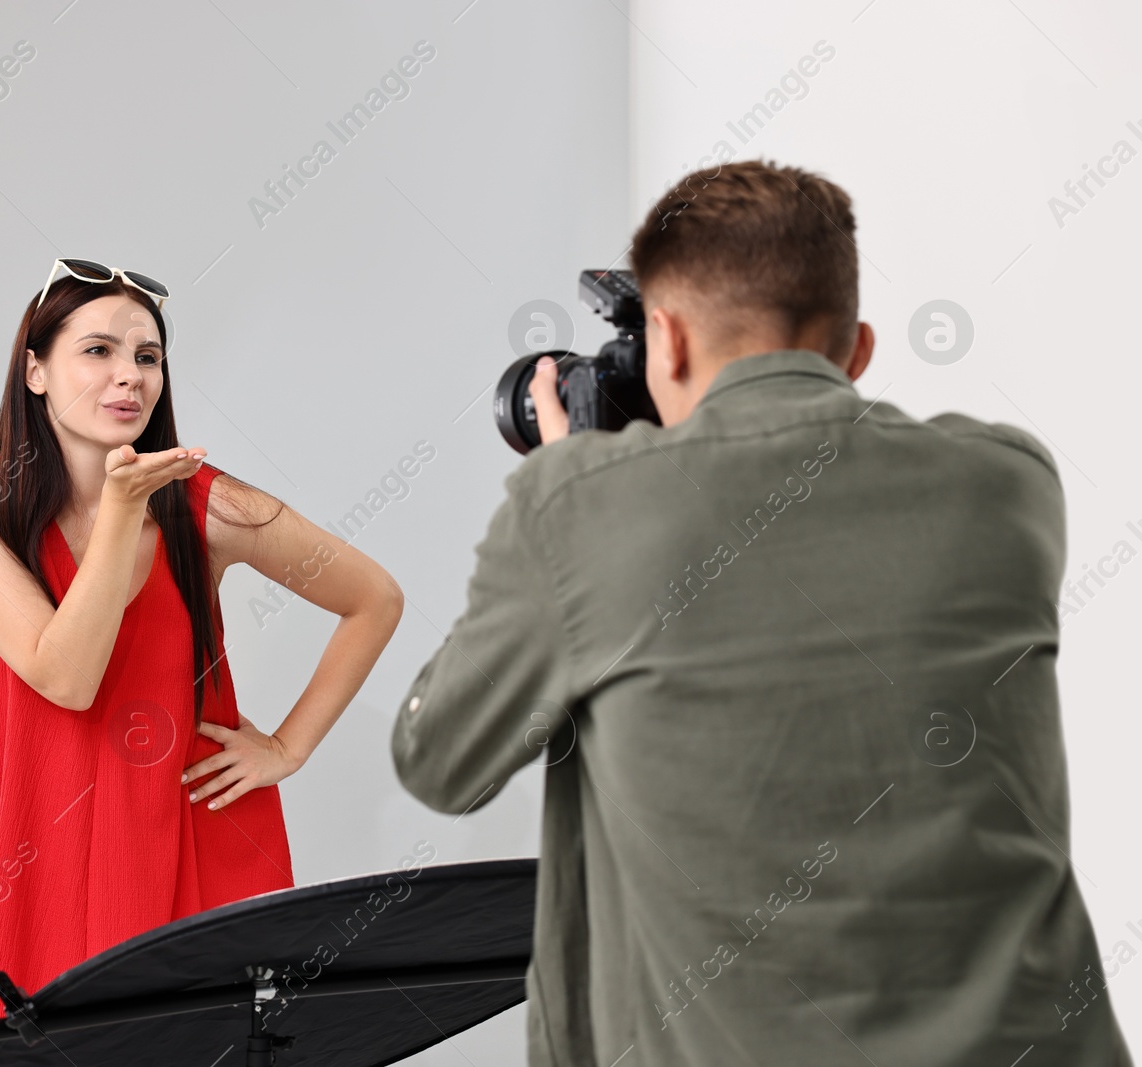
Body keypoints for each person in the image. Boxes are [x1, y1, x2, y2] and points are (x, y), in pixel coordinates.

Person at [391, 161, 1132, 1065]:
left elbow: (439, 761)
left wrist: (571, 483)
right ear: (858, 350)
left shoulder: (583, 509)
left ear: (663, 342)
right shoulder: (1011, 484)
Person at [0, 260, 403, 1065]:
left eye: (148, 356)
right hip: (33, 855)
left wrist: (288, 746)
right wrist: (120, 510)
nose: (128, 375)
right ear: (35, 370)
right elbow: (63, 674)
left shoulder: (203, 501)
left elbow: (374, 598)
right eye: (99, 350)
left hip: (183, 840)